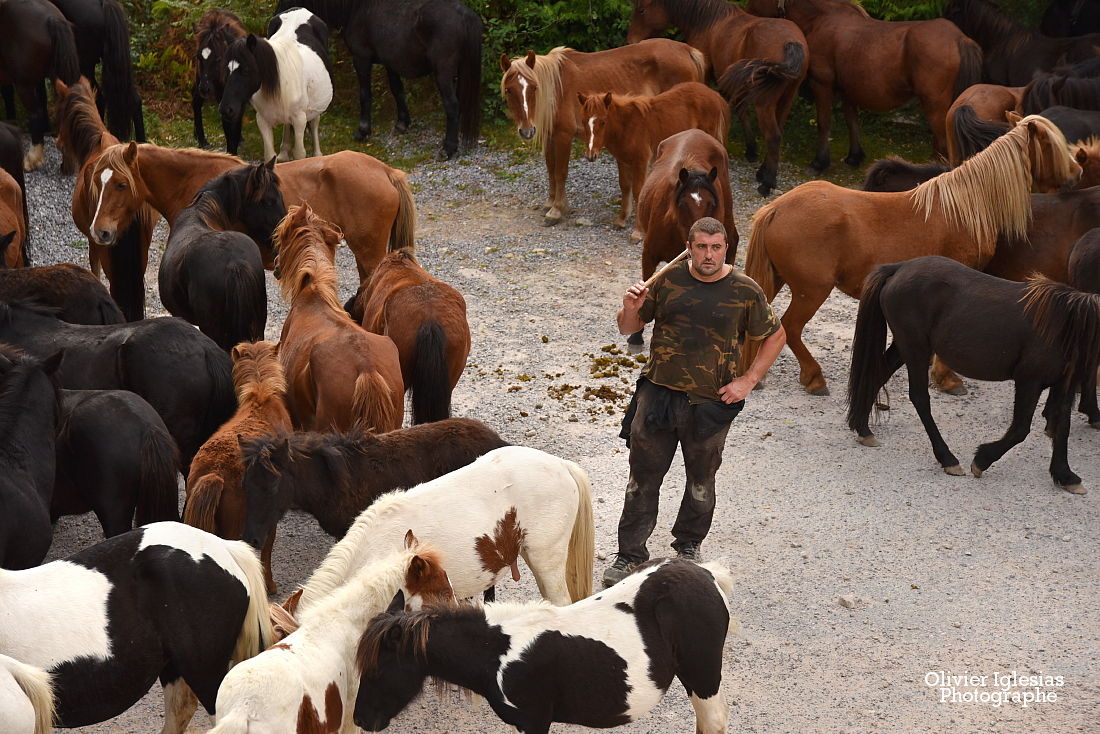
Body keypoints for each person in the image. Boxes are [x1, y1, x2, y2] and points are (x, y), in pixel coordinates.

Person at [602, 216, 786, 587]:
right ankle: (628, 555)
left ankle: (688, 546)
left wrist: (748, 381)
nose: (709, 255)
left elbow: (775, 334)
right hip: (658, 396)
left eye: (716, 247)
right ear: (689, 247)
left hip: (710, 402)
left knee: (701, 480)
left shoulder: (744, 290)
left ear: (725, 248)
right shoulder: (666, 280)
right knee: (641, 478)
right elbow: (628, 328)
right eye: (701, 246)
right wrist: (630, 306)